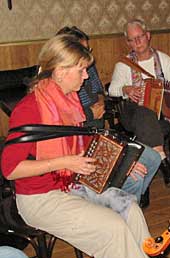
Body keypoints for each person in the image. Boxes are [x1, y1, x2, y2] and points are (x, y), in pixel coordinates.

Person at [1, 34, 159, 258]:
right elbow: (10, 169)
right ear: (61, 71)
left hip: (72, 184)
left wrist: (123, 164)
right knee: (112, 227)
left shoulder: (69, 100)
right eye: (82, 70)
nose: (87, 76)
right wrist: (64, 162)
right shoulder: (29, 109)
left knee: (131, 210)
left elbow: (87, 147)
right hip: (40, 197)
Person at [56, 25, 161, 208]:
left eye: (88, 50)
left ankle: (128, 204)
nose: (86, 72)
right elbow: (68, 132)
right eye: (83, 51)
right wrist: (89, 113)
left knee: (153, 158)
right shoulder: (58, 91)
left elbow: (99, 90)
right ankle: (124, 210)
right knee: (134, 176)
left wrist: (100, 103)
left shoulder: (87, 68)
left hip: (98, 132)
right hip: (84, 146)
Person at [108, 18, 170, 187]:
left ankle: (144, 187)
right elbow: (112, 90)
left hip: (162, 116)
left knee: (148, 124)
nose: (137, 42)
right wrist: (126, 89)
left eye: (140, 36)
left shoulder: (164, 60)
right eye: (132, 39)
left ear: (148, 36)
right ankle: (163, 159)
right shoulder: (124, 64)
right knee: (144, 112)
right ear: (128, 43)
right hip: (132, 115)